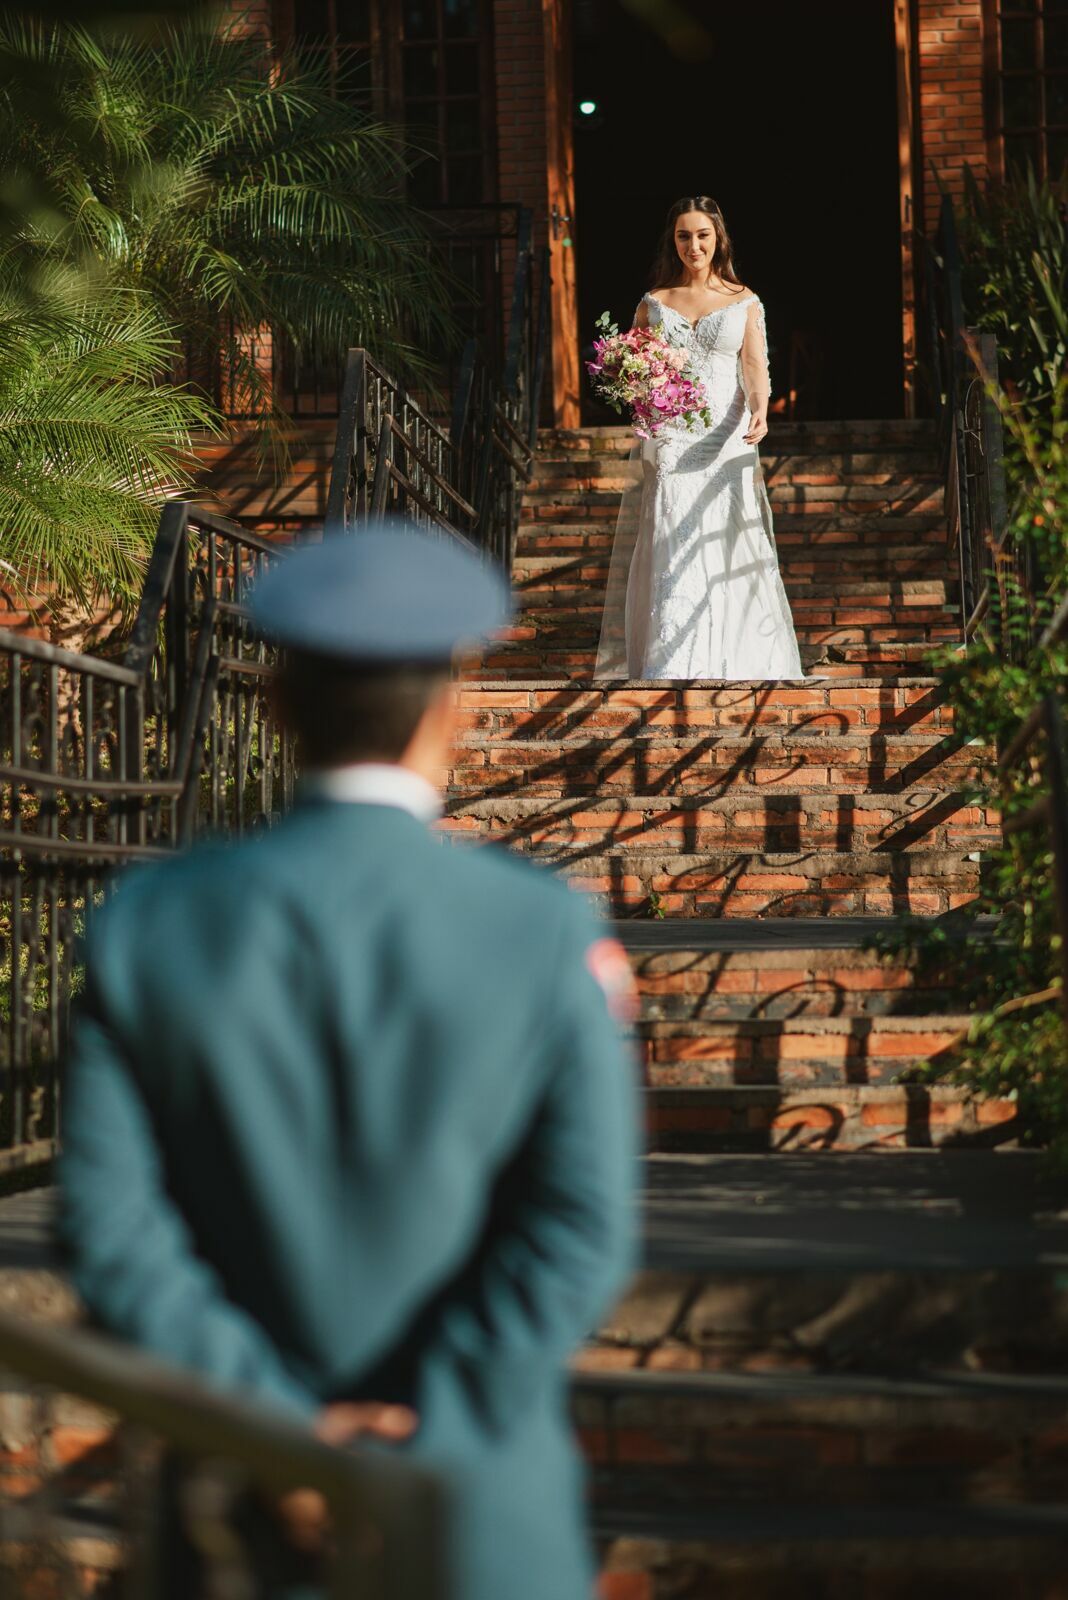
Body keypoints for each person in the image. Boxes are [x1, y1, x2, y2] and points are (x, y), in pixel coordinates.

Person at [59, 522, 640, 1600]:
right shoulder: (545, 928)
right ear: (450, 709)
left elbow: (108, 1230)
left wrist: (285, 1432)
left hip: (237, 1509)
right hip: (477, 1514)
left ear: (277, 705)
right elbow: (581, 1227)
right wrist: (437, 1422)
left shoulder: (150, 925)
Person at [595, 193, 806, 681]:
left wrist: (760, 409)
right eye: (684, 236)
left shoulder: (743, 299)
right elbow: (636, 368)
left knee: (730, 533)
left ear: (718, 239)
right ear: (674, 242)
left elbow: (754, 365)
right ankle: (673, 656)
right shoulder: (654, 303)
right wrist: (639, 395)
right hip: (672, 432)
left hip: (727, 430)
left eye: (703, 235)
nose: (694, 245)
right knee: (672, 526)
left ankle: (739, 655)